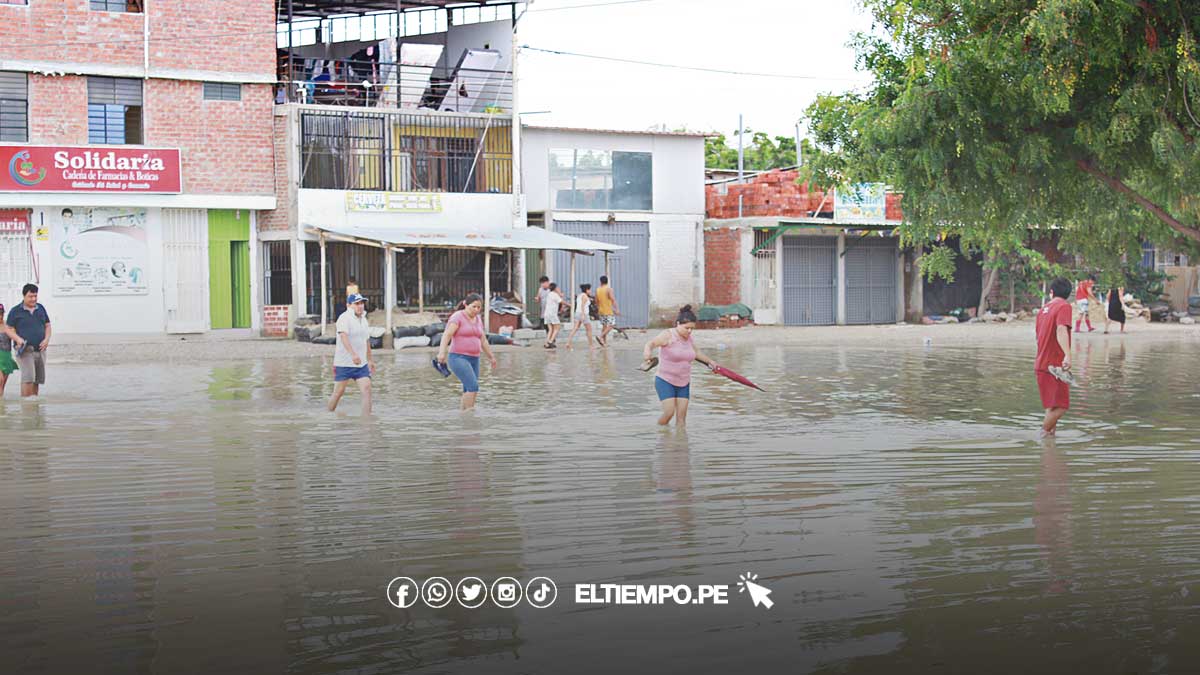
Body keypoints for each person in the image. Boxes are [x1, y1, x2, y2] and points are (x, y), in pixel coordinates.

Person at [641, 305, 719, 427]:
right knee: (669, 413)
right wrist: (647, 354)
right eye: (687, 328)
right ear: (678, 324)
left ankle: (680, 444)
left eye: (692, 329)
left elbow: (696, 353)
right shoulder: (668, 335)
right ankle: (660, 435)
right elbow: (650, 343)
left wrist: (711, 362)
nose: (689, 331)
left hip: (684, 382)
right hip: (665, 380)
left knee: (681, 419)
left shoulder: (689, 338)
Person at [437, 293, 498, 411]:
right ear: (466, 304)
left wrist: (491, 356)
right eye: (473, 307)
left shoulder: (478, 319)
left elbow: (483, 339)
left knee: (468, 389)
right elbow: (447, 335)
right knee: (473, 387)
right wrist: (441, 353)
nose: (476, 310)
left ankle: (464, 416)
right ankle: (470, 416)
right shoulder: (457, 317)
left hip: (474, 358)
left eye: (479, 307)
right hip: (458, 357)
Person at [1035, 278, 1074, 437]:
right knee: (1062, 406)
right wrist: (1068, 355)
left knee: (1052, 406)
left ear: (1051, 292)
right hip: (1054, 366)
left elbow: (1039, 336)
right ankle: (1042, 435)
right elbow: (1061, 330)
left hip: (1041, 363)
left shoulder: (1043, 309)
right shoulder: (1064, 306)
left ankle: (1050, 442)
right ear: (1068, 294)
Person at [328, 293, 374, 415]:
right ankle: (328, 414)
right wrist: (353, 354)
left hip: (361, 364)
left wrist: (369, 360)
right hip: (344, 363)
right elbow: (344, 337)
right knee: (338, 392)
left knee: (367, 388)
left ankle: (367, 420)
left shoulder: (363, 319)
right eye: (357, 304)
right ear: (349, 305)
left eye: (362, 303)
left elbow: (366, 340)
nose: (360, 306)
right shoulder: (344, 318)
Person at [5, 284, 51, 398]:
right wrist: (18, 339)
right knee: (28, 378)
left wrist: (46, 339)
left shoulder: (41, 308)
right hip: (24, 350)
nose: (34, 299)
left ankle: (34, 404)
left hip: (40, 350)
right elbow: (9, 329)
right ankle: (26, 404)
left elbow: (48, 325)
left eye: (35, 296)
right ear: (24, 296)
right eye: (30, 296)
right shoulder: (15, 311)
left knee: (37, 379)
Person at [565, 283, 596, 350]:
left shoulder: (580, 295)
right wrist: (583, 315)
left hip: (577, 313)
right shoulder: (585, 296)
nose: (590, 291)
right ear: (587, 290)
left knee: (575, 328)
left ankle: (568, 342)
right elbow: (582, 305)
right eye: (589, 290)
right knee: (589, 330)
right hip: (584, 314)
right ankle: (591, 345)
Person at [596, 275, 619, 346]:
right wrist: (616, 309)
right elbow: (613, 299)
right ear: (607, 281)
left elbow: (596, 301)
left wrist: (599, 308)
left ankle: (604, 343)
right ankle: (600, 337)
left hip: (601, 310)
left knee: (604, 326)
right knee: (612, 325)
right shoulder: (609, 289)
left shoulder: (598, 289)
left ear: (600, 281)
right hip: (608, 311)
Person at [542, 283, 564, 349]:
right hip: (552, 314)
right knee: (557, 327)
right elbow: (562, 302)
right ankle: (550, 341)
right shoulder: (555, 295)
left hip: (547, 313)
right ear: (555, 288)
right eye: (557, 288)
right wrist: (570, 305)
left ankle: (546, 343)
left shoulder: (549, 294)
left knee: (550, 329)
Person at [0, 302, 14, 398]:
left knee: (2, 386)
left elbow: (16, 338)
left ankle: (2, 408)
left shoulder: (8, 326)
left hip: (7, 357)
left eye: (1, 314)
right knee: (0, 380)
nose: (0, 316)